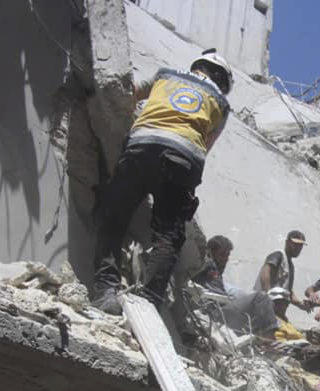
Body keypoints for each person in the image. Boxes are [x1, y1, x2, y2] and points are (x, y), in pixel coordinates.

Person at [92, 49, 234, 315]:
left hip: (141, 144)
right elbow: (206, 145)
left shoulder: (164, 75)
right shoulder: (222, 105)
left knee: (114, 218)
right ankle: (148, 303)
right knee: (168, 235)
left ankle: (104, 291)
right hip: (183, 156)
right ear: (222, 80)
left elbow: (130, 94)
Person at [191, 235, 277, 334]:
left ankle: (260, 337)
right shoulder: (208, 265)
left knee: (260, 308)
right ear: (210, 252)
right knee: (261, 297)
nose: (226, 259)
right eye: (222, 255)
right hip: (216, 313)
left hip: (222, 312)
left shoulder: (215, 269)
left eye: (227, 255)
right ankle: (269, 338)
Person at [254, 230, 310, 316]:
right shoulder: (278, 255)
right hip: (264, 308)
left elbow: (288, 293)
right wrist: (268, 295)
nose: (298, 248)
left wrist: (301, 304)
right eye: (295, 244)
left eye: (300, 246)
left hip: (277, 312)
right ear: (287, 242)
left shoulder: (290, 265)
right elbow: (265, 271)